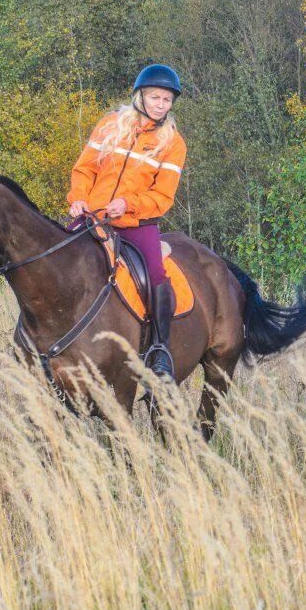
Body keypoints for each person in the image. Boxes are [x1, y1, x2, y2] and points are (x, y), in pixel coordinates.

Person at [67, 63, 186, 380]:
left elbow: (163, 196)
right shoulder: (109, 126)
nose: (161, 105)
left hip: (136, 224)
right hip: (93, 218)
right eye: (155, 97)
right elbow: (85, 169)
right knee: (58, 260)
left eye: (167, 100)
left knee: (156, 273)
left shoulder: (172, 143)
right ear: (140, 96)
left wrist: (129, 205)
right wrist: (78, 198)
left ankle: (159, 350)